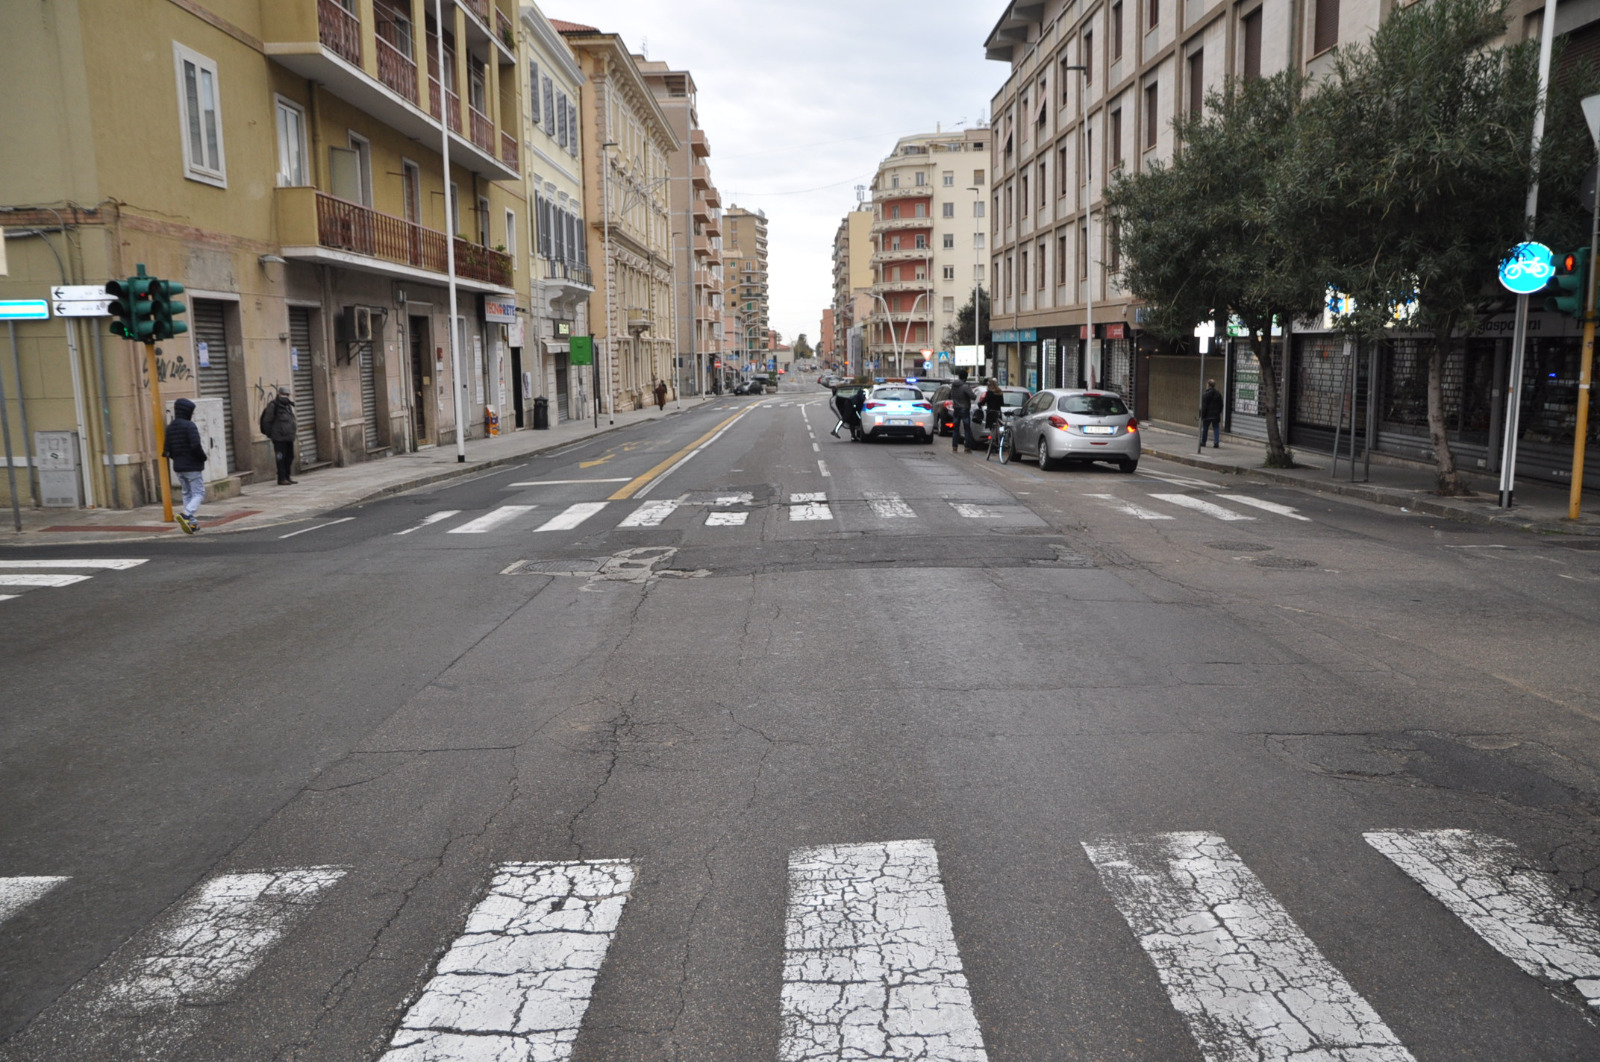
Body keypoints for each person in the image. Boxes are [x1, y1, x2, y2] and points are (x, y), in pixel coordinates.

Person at [164, 397, 208, 534]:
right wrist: (202, 457)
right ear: (188, 411)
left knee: (187, 493)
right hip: (192, 466)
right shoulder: (189, 426)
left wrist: (177, 459)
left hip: (178, 466)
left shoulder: (170, 427)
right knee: (199, 492)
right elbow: (195, 445)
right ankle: (186, 514)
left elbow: (167, 449)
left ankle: (192, 523)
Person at [259, 386, 298, 485]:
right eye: (283, 394)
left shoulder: (288, 406)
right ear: (278, 394)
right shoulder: (273, 406)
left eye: (287, 395)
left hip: (289, 437)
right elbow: (267, 421)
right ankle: (281, 478)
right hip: (279, 438)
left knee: (290, 457)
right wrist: (271, 435)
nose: (285, 397)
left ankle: (287, 476)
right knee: (280, 458)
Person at [950, 368, 976, 453]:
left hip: (956, 409)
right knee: (967, 428)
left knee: (955, 429)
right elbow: (973, 396)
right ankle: (967, 447)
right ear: (965, 377)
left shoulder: (953, 386)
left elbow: (951, 395)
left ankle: (954, 447)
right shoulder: (965, 386)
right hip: (964, 409)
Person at [1199, 378, 1224, 449]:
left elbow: (1204, 406)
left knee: (1205, 428)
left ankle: (1203, 442)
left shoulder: (1205, 394)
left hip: (1207, 415)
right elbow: (1221, 404)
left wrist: (1202, 415)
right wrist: (1218, 412)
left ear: (1209, 385)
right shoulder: (1218, 394)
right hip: (1215, 415)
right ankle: (1216, 442)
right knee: (1216, 428)